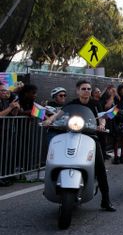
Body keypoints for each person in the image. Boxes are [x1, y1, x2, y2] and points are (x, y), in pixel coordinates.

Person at [42, 80, 116, 211]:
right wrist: (49, 120)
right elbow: (58, 115)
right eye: (83, 89)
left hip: (90, 137)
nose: (86, 91)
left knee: (100, 167)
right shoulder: (72, 104)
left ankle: (106, 200)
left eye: (88, 89)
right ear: (77, 91)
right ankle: (52, 186)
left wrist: (102, 125)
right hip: (71, 135)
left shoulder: (95, 104)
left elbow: (101, 117)